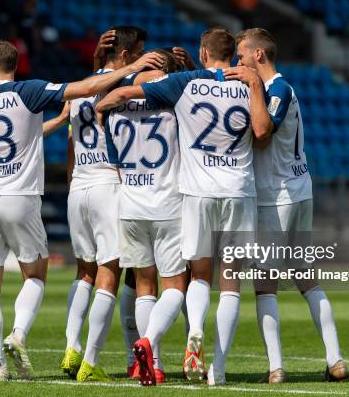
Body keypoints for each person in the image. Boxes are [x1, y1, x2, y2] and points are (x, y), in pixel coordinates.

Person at [0, 39, 163, 381]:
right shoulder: (28, 91)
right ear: (16, 65)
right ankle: (20, 333)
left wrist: (59, 122)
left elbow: (21, 135)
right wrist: (130, 69)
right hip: (21, 195)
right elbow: (86, 87)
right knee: (36, 275)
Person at [93, 28, 271, 386]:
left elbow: (128, 91)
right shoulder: (248, 82)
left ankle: (168, 339)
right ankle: (217, 368)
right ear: (229, 55)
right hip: (237, 191)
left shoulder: (185, 83)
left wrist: (101, 108)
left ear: (203, 52)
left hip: (195, 194)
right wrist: (253, 85)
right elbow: (263, 132)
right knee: (231, 281)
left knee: (198, 276)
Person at [227, 27, 349, 383]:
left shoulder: (276, 88)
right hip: (299, 189)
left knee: (265, 285)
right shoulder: (277, 89)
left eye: (242, 56)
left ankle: (276, 368)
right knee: (307, 280)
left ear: (259, 55)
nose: (239, 63)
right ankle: (335, 360)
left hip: (275, 196)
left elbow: (263, 134)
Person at [62, 26, 169, 383]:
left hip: (79, 184)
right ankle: (90, 361)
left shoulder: (81, 89)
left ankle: (72, 346)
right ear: (126, 55)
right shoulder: (127, 87)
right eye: (140, 53)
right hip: (111, 184)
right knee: (112, 274)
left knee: (84, 272)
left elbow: (70, 146)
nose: (145, 59)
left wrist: (72, 183)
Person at [96, 49, 185, 386]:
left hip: (131, 205)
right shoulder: (176, 99)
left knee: (144, 286)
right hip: (168, 204)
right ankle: (149, 344)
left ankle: (154, 363)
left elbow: (116, 164)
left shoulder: (113, 106)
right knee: (175, 286)